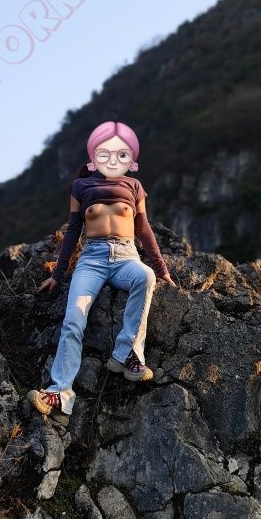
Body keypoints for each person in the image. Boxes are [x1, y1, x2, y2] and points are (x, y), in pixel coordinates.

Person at [27, 120, 176, 427]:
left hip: (126, 256)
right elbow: (73, 231)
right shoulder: (80, 186)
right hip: (92, 259)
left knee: (145, 277)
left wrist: (161, 269)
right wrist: (58, 274)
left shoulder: (134, 186)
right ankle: (59, 394)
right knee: (73, 319)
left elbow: (143, 228)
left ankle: (126, 356)